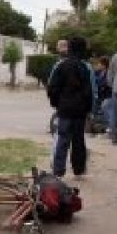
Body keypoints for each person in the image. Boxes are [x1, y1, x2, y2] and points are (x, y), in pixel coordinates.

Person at [47, 36, 95, 178]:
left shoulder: (60, 65)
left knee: (62, 138)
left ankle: (58, 170)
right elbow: (91, 90)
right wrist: (89, 109)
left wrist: (56, 103)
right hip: (80, 110)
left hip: (64, 108)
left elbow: (52, 88)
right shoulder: (86, 67)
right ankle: (79, 170)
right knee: (79, 139)